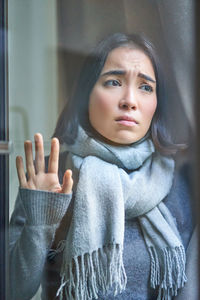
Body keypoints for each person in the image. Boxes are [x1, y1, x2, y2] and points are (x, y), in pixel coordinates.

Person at [9, 33, 195, 300]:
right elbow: (13, 291)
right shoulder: (53, 174)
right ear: (86, 94)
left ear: (156, 104)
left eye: (145, 87)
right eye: (114, 82)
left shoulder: (178, 181)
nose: (129, 100)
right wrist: (40, 223)